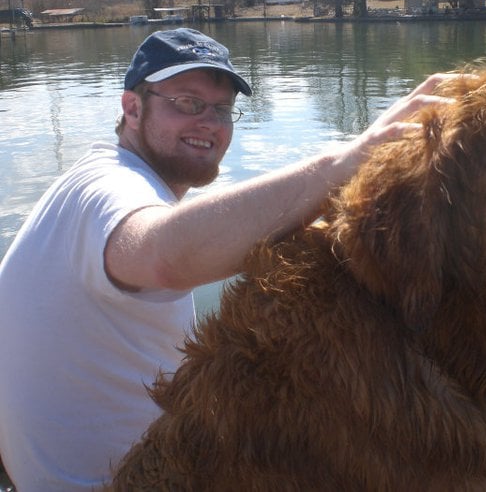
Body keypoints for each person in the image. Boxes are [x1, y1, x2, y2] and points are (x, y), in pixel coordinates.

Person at [0, 28, 454, 491]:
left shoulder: (89, 179)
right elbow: (162, 255)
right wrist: (344, 163)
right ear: (132, 108)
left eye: (220, 109)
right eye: (187, 103)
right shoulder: (109, 187)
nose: (210, 123)